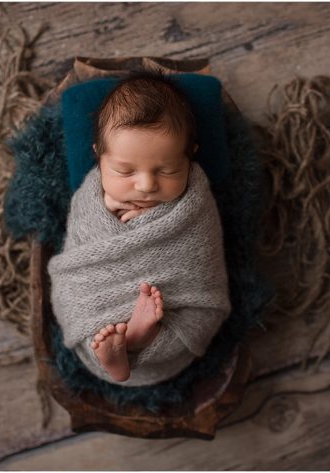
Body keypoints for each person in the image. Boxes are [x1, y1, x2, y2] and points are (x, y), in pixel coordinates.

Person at [48, 73, 230, 385]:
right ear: (99, 157)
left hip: (174, 315)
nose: (146, 185)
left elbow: (202, 265)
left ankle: (141, 340)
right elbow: (78, 260)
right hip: (99, 303)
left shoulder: (195, 203)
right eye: (124, 170)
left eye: (168, 169)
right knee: (81, 311)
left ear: (190, 156)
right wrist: (110, 215)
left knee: (197, 318)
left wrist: (151, 222)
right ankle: (120, 349)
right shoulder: (88, 200)